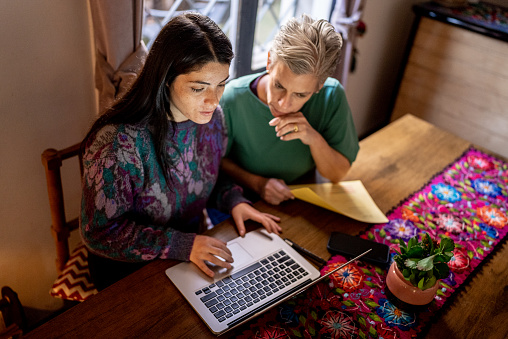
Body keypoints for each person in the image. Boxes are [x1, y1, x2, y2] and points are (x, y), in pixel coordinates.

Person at [80, 12, 281, 290]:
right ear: (165, 79)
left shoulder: (212, 120)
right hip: (127, 274)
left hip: (190, 255)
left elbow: (207, 175)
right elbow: (99, 234)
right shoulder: (117, 144)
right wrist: (181, 244)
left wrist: (235, 200)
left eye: (221, 84)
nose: (213, 100)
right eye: (199, 88)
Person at [220, 14, 359, 206]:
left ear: (319, 86)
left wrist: (313, 138)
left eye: (301, 95)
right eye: (279, 85)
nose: (284, 104)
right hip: (241, 201)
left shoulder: (332, 96)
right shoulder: (232, 99)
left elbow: (337, 174)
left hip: (302, 200)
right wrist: (258, 184)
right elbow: (216, 162)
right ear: (269, 62)